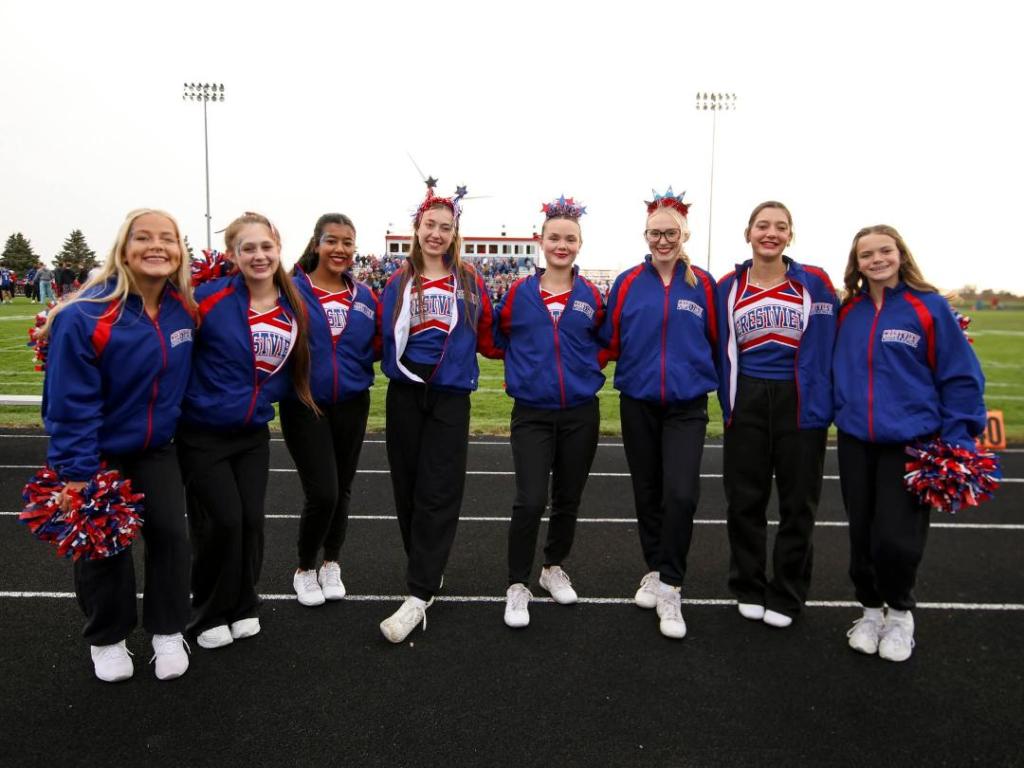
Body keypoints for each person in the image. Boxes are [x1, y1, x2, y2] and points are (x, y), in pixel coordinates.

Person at [38, 209, 196, 682]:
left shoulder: (183, 309)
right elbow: (69, 403)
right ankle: (107, 638)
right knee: (103, 546)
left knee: (171, 535)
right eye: (143, 238)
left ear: (179, 251)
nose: (156, 246)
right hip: (98, 453)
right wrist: (78, 473)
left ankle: (168, 631)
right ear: (123, 249)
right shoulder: (84, 314)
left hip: (157, 448)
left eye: (167, 239)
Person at [834, 224, 987, 662]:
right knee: (861, 535)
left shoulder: (929, 308)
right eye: (867, 254)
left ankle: (900, 615)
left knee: (896, 541)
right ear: (857, 263)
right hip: (855, 440)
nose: (877, 259)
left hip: (912, 443)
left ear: (900, 254)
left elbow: (961, 376)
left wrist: (959, 435)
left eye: (885, 250)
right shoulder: (850, 312)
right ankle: (868, 612)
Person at [177, 212, 317, 650]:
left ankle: (243, 604)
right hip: (202, 432)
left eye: (266, 247)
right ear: (233, 256)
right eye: (248, 248)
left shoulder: (293, 304)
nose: (259, 256)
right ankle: (208, 613)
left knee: (251, 523)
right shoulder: (208, 298)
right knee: (221, 522)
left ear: (279, 250)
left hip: (253, 432)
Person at [377, 180, 501, 643]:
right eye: (430, 225)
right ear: (417, 227)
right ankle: (427, 568)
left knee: (439, 490)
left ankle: (419, 590)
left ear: (454, 233)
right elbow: (376, 339)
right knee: (407, 488)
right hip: (405, 395)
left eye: (445, 227)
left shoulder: (471, 280)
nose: (436, 234)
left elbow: (490, 335)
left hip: (450, 397)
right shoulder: (396, 281)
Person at [599, 188, 719, 639]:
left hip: (687, 407)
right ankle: (656, 567)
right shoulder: (629, 282)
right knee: (647, 492)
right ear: (645, 235)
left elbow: (717, 344)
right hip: (639, 402)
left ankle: (672, 585)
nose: (663, 240)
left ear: (685, 233)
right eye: (656, 233)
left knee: (682, 493)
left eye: (671, 233)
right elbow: (608, 340)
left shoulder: (704, 284)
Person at [716, 202, 838, 628]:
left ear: (790, 235)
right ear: (748, 232)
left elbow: (843, 331)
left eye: (780, 227)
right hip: (746, 398)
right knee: (744, 500)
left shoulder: (816, 282)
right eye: (762, 226)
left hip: (801, 403)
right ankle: (747, 584)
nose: (771, 233)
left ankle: (787, 593)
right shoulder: (728, 286)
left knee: (798, 503)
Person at [494, 196, 605, 628]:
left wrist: (585, 369)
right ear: (540, 241)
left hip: (581, 411)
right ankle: (517, 584)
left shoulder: (590, 294)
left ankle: (552, 566)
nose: (562, 244)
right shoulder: (520, 294)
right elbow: (496, 336)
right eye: (554, 237)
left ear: (579, 244)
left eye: (570, 238)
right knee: (530, 500)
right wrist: (523, 371)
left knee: (568, 499)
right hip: (533, 413)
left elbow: (606, 339)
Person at [284, 214, 381, 607]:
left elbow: (375, 344)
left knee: (341, 489)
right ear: (317, 244)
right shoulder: (290, 290)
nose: (340, 249)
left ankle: (331, 561)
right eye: (332, 241)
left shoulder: (365, 296)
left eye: (347, 242)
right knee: (322, 491)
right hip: (305, 404)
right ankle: (304, 568)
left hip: (353, 403)